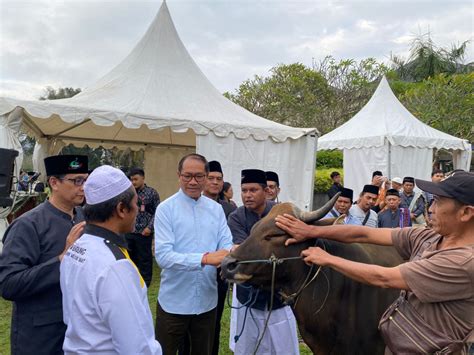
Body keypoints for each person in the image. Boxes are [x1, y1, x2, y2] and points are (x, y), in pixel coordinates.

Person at [275, 170, 474, 354]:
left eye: (439, 201)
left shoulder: (462, 262)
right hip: (401, 345)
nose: (430, 208)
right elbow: (364, 233)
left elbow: (384, 277)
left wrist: (327, 259)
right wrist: (311, 231)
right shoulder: (430, 237)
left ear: (466, 212)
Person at [60, 165, 162, 354]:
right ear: (122, 209)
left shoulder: (75, 247)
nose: (138, 211)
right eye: (136, 204)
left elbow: (70, 316)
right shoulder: (115, 266)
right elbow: (137, 347)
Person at [0, 155, 88, 355]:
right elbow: (9, 284)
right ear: (54, 183)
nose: (83, 187)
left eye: (86, 180)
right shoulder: (28, 225)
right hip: (39, 336)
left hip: (77, 330)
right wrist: (61, 260)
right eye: (77, 181)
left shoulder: (83, 218)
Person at [154, 153, 233, 355]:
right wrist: (204, 258)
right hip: (174, 302)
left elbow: (227, 245)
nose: (193, 182)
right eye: (187, 176)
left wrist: (226, 254)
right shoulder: (166, 209)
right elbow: (163, 256)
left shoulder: (216, 210)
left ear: (206, 177)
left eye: (199, 176)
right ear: (179, 175)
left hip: (207, 300)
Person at [228, 169, 299, 355]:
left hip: (278, 296)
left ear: (266, 191)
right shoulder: (236, 217)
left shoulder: (282, 214)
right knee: (249, 348)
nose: (247, 195)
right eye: (244, 190)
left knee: (284, 348)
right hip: (249, 296)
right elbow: (247, 253)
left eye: (253, 190)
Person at [202, 160, 237, 355]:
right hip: (197, 268)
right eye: (211, 178)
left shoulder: (230, 209)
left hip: (220, 272)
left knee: (214, 320)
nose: (215, 182)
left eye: (219, 179)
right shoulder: (194, 205)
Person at [126, 167, 160, 287]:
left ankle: (145, 284)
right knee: (129, 259)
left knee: (144, 260)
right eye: (131, 180)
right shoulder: (128, 193)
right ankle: (130, 282)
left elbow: (157, 212)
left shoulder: (151, 193)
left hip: (144, 233)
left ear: (143, 178)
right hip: (129, 232)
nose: (133, 182)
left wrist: (149, 228)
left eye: (136, 179)